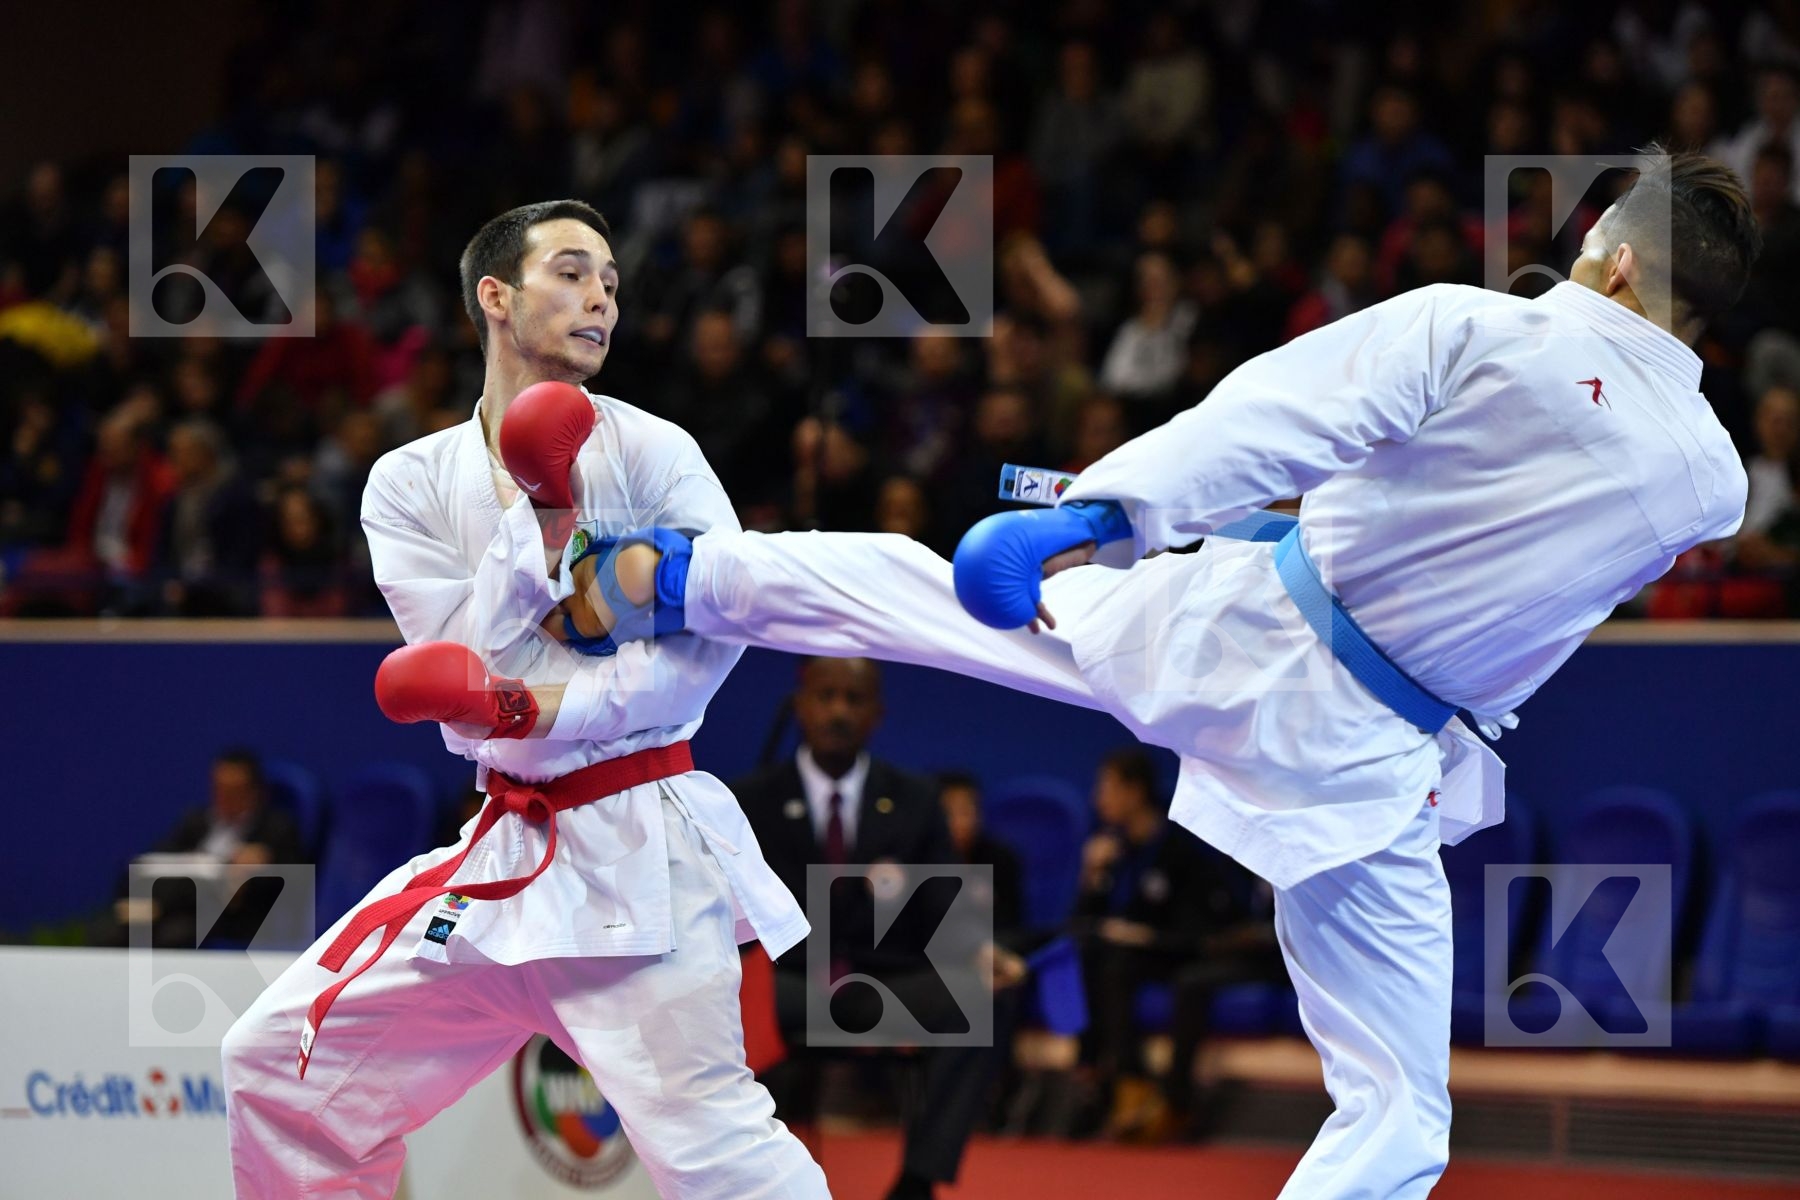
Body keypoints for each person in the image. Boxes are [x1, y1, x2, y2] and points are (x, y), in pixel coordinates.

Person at [539, 147, 1758, 1199]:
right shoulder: (1714, 485)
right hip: (1372, 766)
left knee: (922, 596)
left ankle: (675, 580)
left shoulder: (1479, 326)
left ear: (1619, 256)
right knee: (1399, 1115)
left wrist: (1099, 519)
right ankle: (688, 580)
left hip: (1242, 644)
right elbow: (1502, 506)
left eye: (1599, 230)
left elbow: (1277, 419)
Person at [219, 199, 827, 1199]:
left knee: (718, 1156)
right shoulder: (409, 483)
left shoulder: (659, 453)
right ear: (494, 297)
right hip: (505, 851)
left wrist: (541, 711)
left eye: (613, 286)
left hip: (640, 852)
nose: (602, 299)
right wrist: (544, 523)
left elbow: (711, 642)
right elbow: (458, 671)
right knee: (284, 1068)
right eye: (575, 273)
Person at [734, 657, 1020, 1200]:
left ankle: (917, 1180)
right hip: (787, 983)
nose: (839, 710)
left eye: (854, 698)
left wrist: (982, 949)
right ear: (801, 705)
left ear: (877, 713)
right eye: (826, 696)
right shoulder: (751, 799)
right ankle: (746, 1176)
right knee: (723, 996)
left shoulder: (914, 798)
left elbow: (947, 904)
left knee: (982, 995)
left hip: (878, 985)